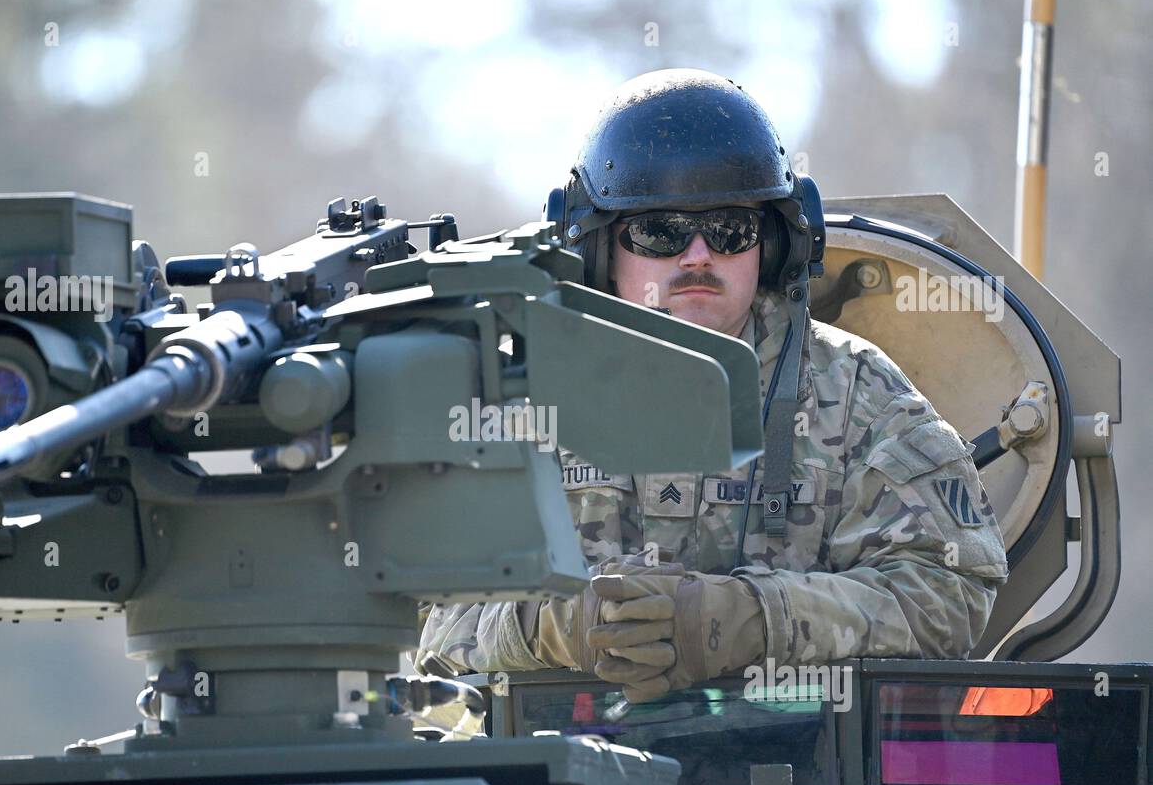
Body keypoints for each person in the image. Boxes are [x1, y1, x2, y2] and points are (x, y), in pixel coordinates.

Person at [415, 68, 1008, 703]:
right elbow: (429, 625)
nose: (697, 255)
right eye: (660, 232)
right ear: (598, 249)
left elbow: (950, 595)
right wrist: (555, 628)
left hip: (799, 767)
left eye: (730, 230)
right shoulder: (519, 399)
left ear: (774, 246)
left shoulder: (857, 392)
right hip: (560, 770)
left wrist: (750, 620)